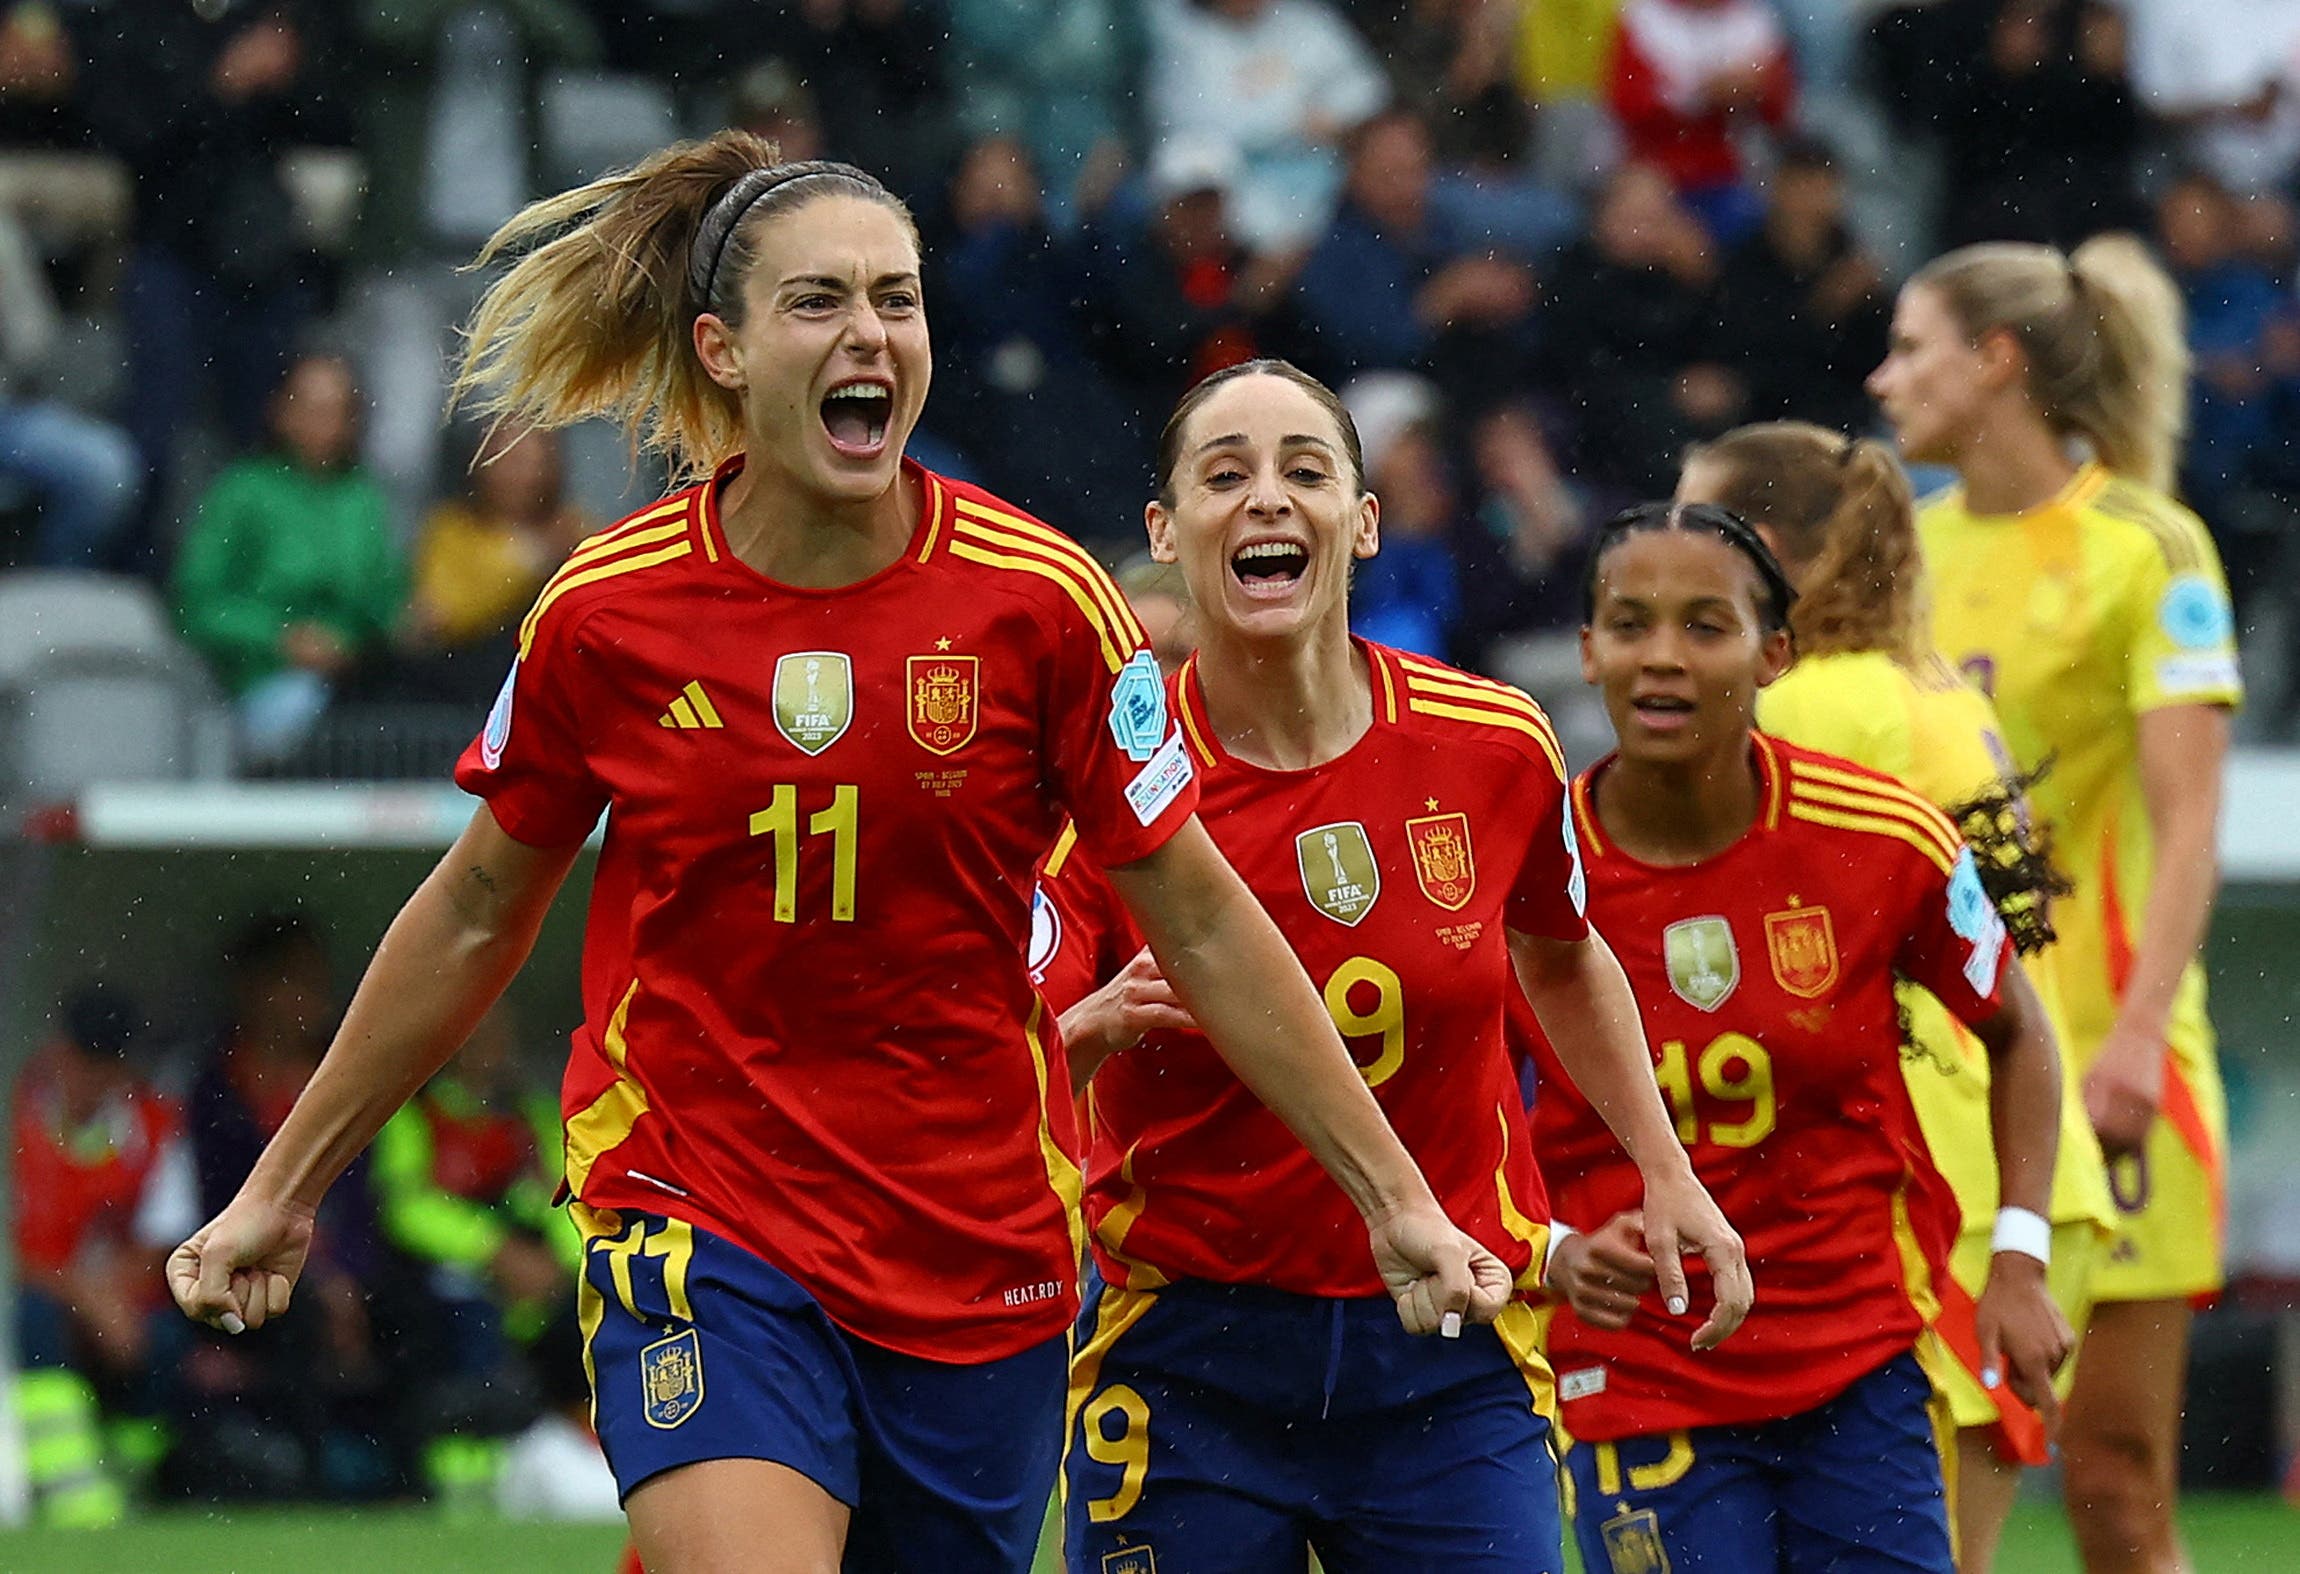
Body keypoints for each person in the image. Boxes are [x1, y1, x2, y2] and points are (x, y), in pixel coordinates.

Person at [166, 132, 1513, 1573]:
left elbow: (1199, 912)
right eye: (818, 301)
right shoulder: (607, 612)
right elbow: (476, 907)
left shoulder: (1042, 603)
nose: (870, 332)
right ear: (723, 349)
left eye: (899, 298)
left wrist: (1398, 1199)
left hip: (975, 1236)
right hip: (702, 1206)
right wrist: (283, 1183)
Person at [1036, 359, 1750, 1572]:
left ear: (1362, 524)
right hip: (1185, 1348)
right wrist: (1093, 1023)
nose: (1266, 499)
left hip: (1448, 1342)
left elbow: (1562, 957)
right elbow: (1000, 1054)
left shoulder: (1493, 743)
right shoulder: (1100, 776)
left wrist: (1663, 1166)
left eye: (1304, 472)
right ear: (1165, 530)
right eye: (1225, 475)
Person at [1536, 501, 2073, 1574]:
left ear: (1772, 651)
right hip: (1640, 1372)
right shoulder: (1525, 870)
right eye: (1629, 624)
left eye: (1703, 624)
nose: (1661, 657)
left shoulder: (1881, 838)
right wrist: (1549, 1246)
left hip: (1856, 1361)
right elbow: (1451, 1102)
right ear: (1587, 647)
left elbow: (2019, 1030)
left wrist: (2018, 1257)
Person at [1677, 421, 2118, 1573]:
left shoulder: (1818, 705)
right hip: (2001, 1173)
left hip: (1953, 1186)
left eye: (1690, 524)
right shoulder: (1903, 682)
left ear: (1757, 547)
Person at [1870, 235, 2242, 1574]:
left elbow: (2192, 814)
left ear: (1996, 359)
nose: (1884, 374)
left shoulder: (2150, 544)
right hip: (1951, 1074)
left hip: (2112, 1057)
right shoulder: (1900, 548)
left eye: (1911, 345)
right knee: (1935, 1470)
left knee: (2117, 1481)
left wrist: (2140, 1036)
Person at [171, 352, 404, 767]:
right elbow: (196, 605)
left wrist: (397, 620)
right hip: (261, 682)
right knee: (303, 712)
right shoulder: (241, 491)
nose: (325, 423)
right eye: (312, 408)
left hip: (356, 678)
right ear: (280, 411)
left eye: (338, 410)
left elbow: (382, 597)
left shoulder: (363, 496)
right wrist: (281, 638)